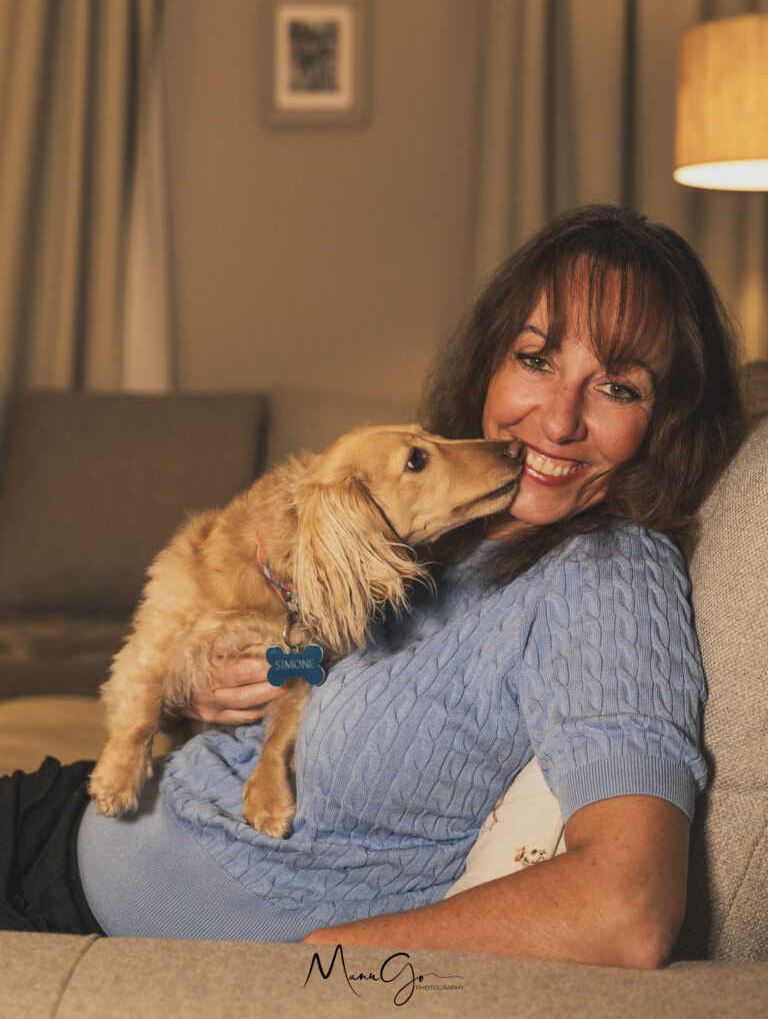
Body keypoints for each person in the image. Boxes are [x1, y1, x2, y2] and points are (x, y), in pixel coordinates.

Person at [2, 204, 746, 966]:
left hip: (91, 927)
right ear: (492, 360)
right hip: (77, 824)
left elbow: (628, 905)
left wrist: (327, 963)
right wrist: (202, 692)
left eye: (618, 388)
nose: (557, 421)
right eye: (536, 359)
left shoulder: (611, 577)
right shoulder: (449, 520)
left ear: (667, 423)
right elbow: (316, 659)